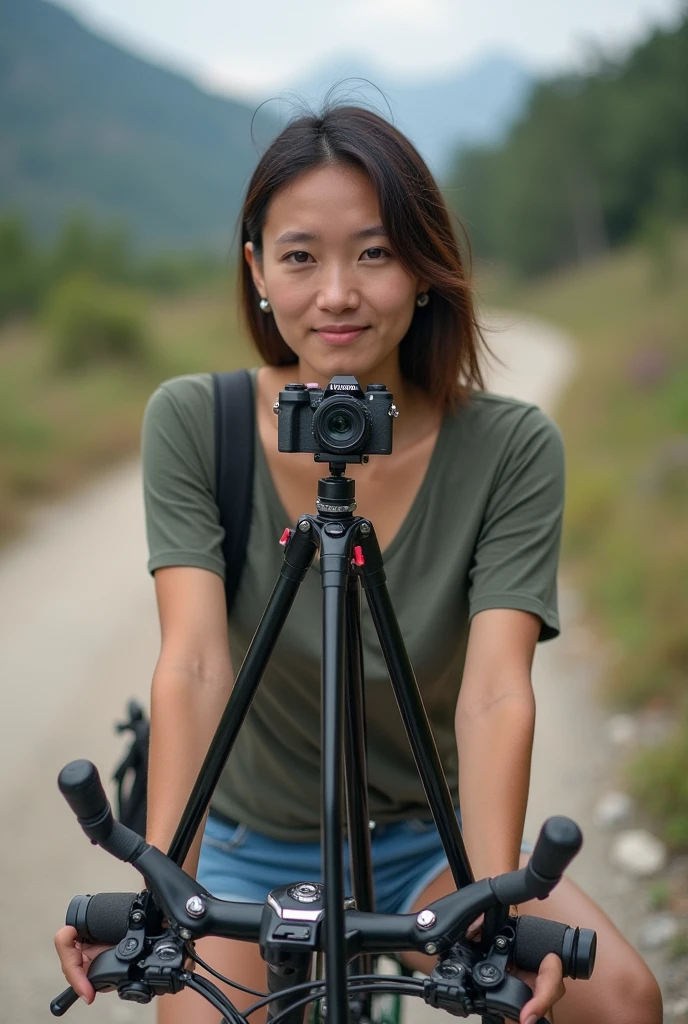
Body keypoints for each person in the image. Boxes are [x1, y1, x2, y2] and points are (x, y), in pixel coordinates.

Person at [55, 101, 662, 1024]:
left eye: (375, 253)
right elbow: (193, 661)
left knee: (622, 1002)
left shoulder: (509, 446)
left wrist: (488, 902)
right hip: (250, 845)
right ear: (256, 270)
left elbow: (497, 688)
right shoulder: (195, 422)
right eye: (300, 256)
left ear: (423, 270)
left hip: (430, 844)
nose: (337, 292)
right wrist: (162, 891)